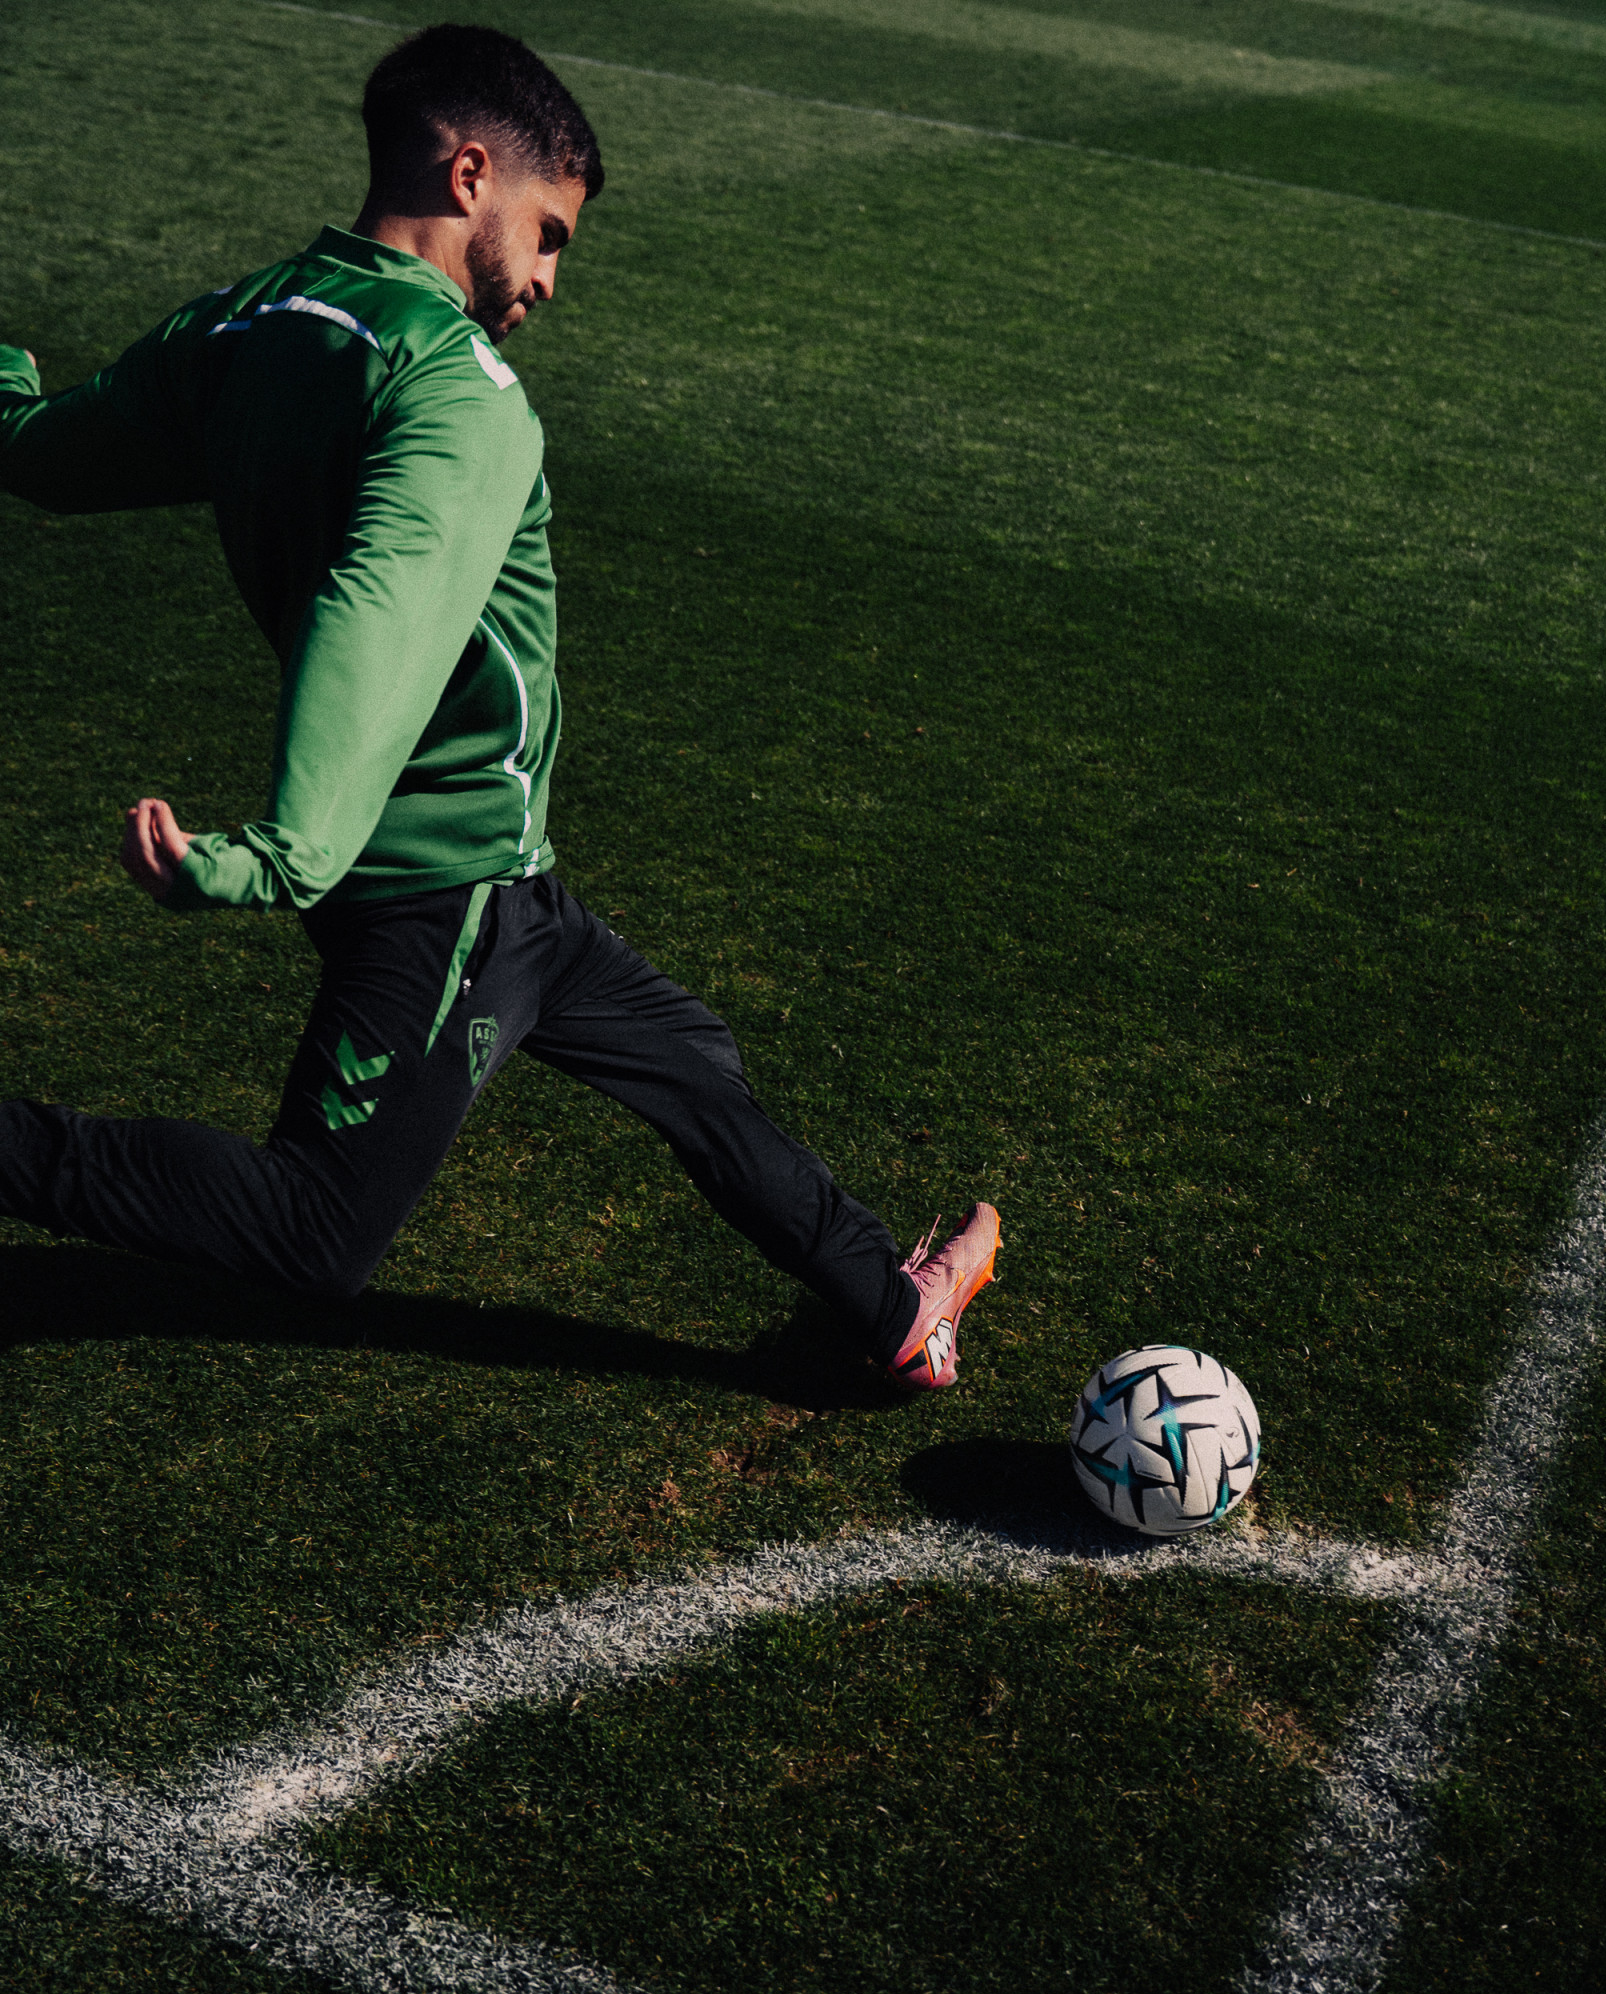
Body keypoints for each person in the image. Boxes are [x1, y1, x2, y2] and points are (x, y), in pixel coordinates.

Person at [0, 22, 998, 1391]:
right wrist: (283, 848)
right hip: (437, 877)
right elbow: (382, 605)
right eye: (548, 235)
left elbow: (47, 451)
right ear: (468, 173)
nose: (543, 280)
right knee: (316, 1231)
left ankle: (888, 1306)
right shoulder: (455, 389)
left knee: (685, 1058)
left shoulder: (246, 324)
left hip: (493, 874)